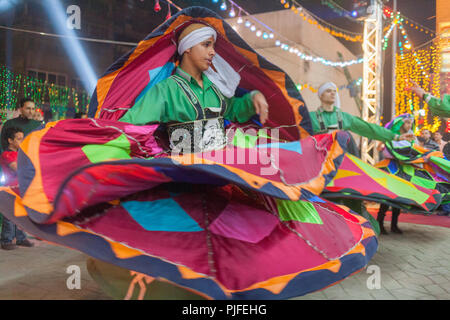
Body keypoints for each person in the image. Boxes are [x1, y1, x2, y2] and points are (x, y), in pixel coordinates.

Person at [119, 23, 269, 152]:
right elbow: (129, 125)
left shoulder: (216, 88)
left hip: (221, 172)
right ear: (187, 48)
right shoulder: (166, 90)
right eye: (206, 45)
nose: (213, 52)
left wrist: (254, 96)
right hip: (186, 176)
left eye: (212, 46)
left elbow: (235, 110)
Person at [310, 82, 415, 144]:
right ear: (321, 96)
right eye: (328, 91)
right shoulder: (311, 117)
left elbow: (369, 128)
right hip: (316, 162)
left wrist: (395, 137)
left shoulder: (344, 117)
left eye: (334, 91)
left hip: (338, 161)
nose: (333, 93)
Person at [0, 127, 34, 250]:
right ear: (10, 140)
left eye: (22, 138)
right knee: (9, 216)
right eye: (19, 139)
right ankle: (6, 240)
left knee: (21, 215)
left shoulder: (20, 154)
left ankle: (21, 238)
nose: (22, 141)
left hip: (20, 189)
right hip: (10, 190)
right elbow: (18, 169)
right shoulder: (6, 155)